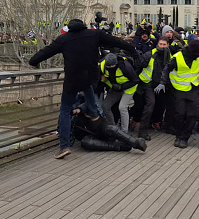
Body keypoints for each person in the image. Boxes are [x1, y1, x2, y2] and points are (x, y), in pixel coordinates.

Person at [29, 18, 138, 159]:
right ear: (83, 25)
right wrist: (132, 50)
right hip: (89, 79)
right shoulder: (94, 34)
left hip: (72, 81)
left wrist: (34, 61)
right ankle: (93, 114)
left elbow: (46, 51)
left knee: (65, 110)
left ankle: (64, 146)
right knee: (89, 92)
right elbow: (116, 41)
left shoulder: (64, 39)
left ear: (70, 27)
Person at [156, 37, 199, 148]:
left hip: (194, 88)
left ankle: (185, 137)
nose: (198, 55)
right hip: (179, 89)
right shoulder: (178, 57)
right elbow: (166, 69)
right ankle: (178, 136)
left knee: (193, 114)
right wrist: (163, 82)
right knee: (180, 114)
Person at [72, 105, 146, 152]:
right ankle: (119, 146)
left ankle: (135, 143)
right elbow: (78, 137)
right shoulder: (69, 113)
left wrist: (80, 109)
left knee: (111, 128)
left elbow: (89, 104)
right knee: (86, 142)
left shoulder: (82, 96)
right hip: (90, 136)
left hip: (100, 127)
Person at [100, 53, 139, 133]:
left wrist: (121, 87)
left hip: (129, 88)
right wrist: (112, 86)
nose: (109, 68)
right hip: (115, 87)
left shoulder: (126, 67)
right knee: (105, 106)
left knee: (122, 107)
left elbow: (135, 81)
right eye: (108, 66)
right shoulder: (102, 65)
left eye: (111, 66)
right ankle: (113, 128)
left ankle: (124, 132)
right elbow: (104, 78)